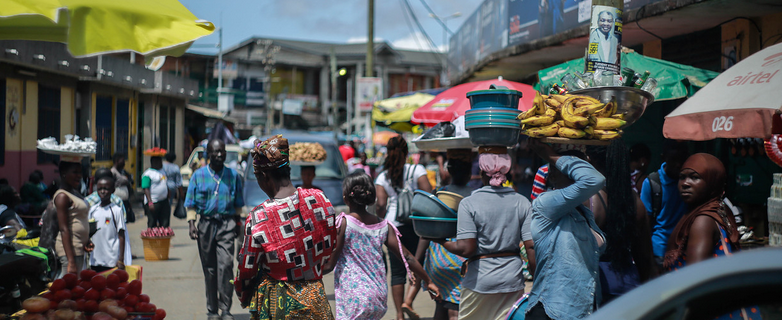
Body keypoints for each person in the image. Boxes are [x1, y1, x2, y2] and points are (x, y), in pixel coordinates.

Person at [234, 135, 334, 320]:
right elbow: (329, 249)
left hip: (278, 305)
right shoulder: (320, 199)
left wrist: (243, 295)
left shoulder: (259, 218)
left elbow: (246, 270)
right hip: (317, 301)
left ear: (264, 176)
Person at [435, 147, 534, 320]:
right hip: (512, 280)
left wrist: (440, 240)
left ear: (481, 172)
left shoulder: (469, 203)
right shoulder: (522, 202)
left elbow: (466, 248)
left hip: (480, 280)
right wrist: (537, 279)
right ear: (506, 171)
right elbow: (531, 247)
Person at [323, 171, 439, 319]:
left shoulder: (344, 223)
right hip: (378, 296)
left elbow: (329, 265)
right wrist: (428, 281)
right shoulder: (384, 225)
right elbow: (408, 257)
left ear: (346, 197)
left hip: (354, 297)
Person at [664, 154, 761, 319]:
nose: (685, 183)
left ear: (712, 182)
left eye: (695, 178)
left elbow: (694, 280)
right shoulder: (715, 209)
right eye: (682, 177)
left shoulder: (703, 221)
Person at [526, 141, 606, 320]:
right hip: (552, 313)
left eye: (578, 166)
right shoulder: (545, 205)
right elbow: (594, 179)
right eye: (570, 168)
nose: (576, 174)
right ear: (552, 176)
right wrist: (551, 156)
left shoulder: (584, 212)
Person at [587, 141, 656, 304]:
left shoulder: (589, 200)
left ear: (591, 160)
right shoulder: (635, 201)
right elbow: (645, 257)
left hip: (597, 287)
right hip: (629, 287)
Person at [374, 135, 433, 320]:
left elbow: (381, 205)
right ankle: (409, 301)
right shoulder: (417, 170)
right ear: (407, 152)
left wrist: (379, 221)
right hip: (416, 225)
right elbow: (429, 195)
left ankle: (399, 314)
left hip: (392, 226)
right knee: (418, 263)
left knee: (397, 272)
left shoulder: (382, 177)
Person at [186, 139, 244, 320]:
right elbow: (190, 203)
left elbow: (239, 205)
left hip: (227, 224)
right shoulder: (198, 175)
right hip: (206, 225)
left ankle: (225, 308)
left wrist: (238, 225)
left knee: (226, 265)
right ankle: (212, 310)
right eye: (216, 152)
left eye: (222, 152)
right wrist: (192, 224)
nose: (220, 155)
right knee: (210, 269)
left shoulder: (233, 176)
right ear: (208, 154)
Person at [640, 140, 689, 271]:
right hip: (660, 251)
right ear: (663, 158)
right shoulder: (652, 183)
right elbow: (645, 222)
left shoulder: (690, 181)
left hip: (685, 250)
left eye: (682, 160)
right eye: (673, 160)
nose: (678, 164)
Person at [85, 168, 132, 267]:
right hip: (95, 259)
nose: (102, 192)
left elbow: (122, 234)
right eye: (100, 189)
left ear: (112, 190)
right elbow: (88, 231)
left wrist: (121, 259)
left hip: (111, 259)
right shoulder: (93, 210)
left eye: (106, 189)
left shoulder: (116, 209)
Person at [53, 160, 92, 278]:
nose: (79, 176)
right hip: (70, 251)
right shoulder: (62, 196)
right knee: (65, 290)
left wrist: (87, 240)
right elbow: (64, 228)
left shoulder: (74, 193)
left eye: (80, 172)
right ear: (63, 173)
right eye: (75, 172)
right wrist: (70, 261)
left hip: (79, 249)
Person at [142, 155, 170, 228]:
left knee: (165, 223)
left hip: (164, 201)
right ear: (154, 162)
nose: (161, 163)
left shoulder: (162, 171)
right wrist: (150, 202)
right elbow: (146, 189)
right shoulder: (148, 174)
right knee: (152, 223)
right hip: (153, 202)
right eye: (160, 161)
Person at [112, 153, 135, 223]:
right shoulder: (113, 172)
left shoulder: (123, 171)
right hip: (117, 200)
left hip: (125, 200)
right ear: (117, 161)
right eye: (122, 161)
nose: (124, 163)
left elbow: (131, 180)